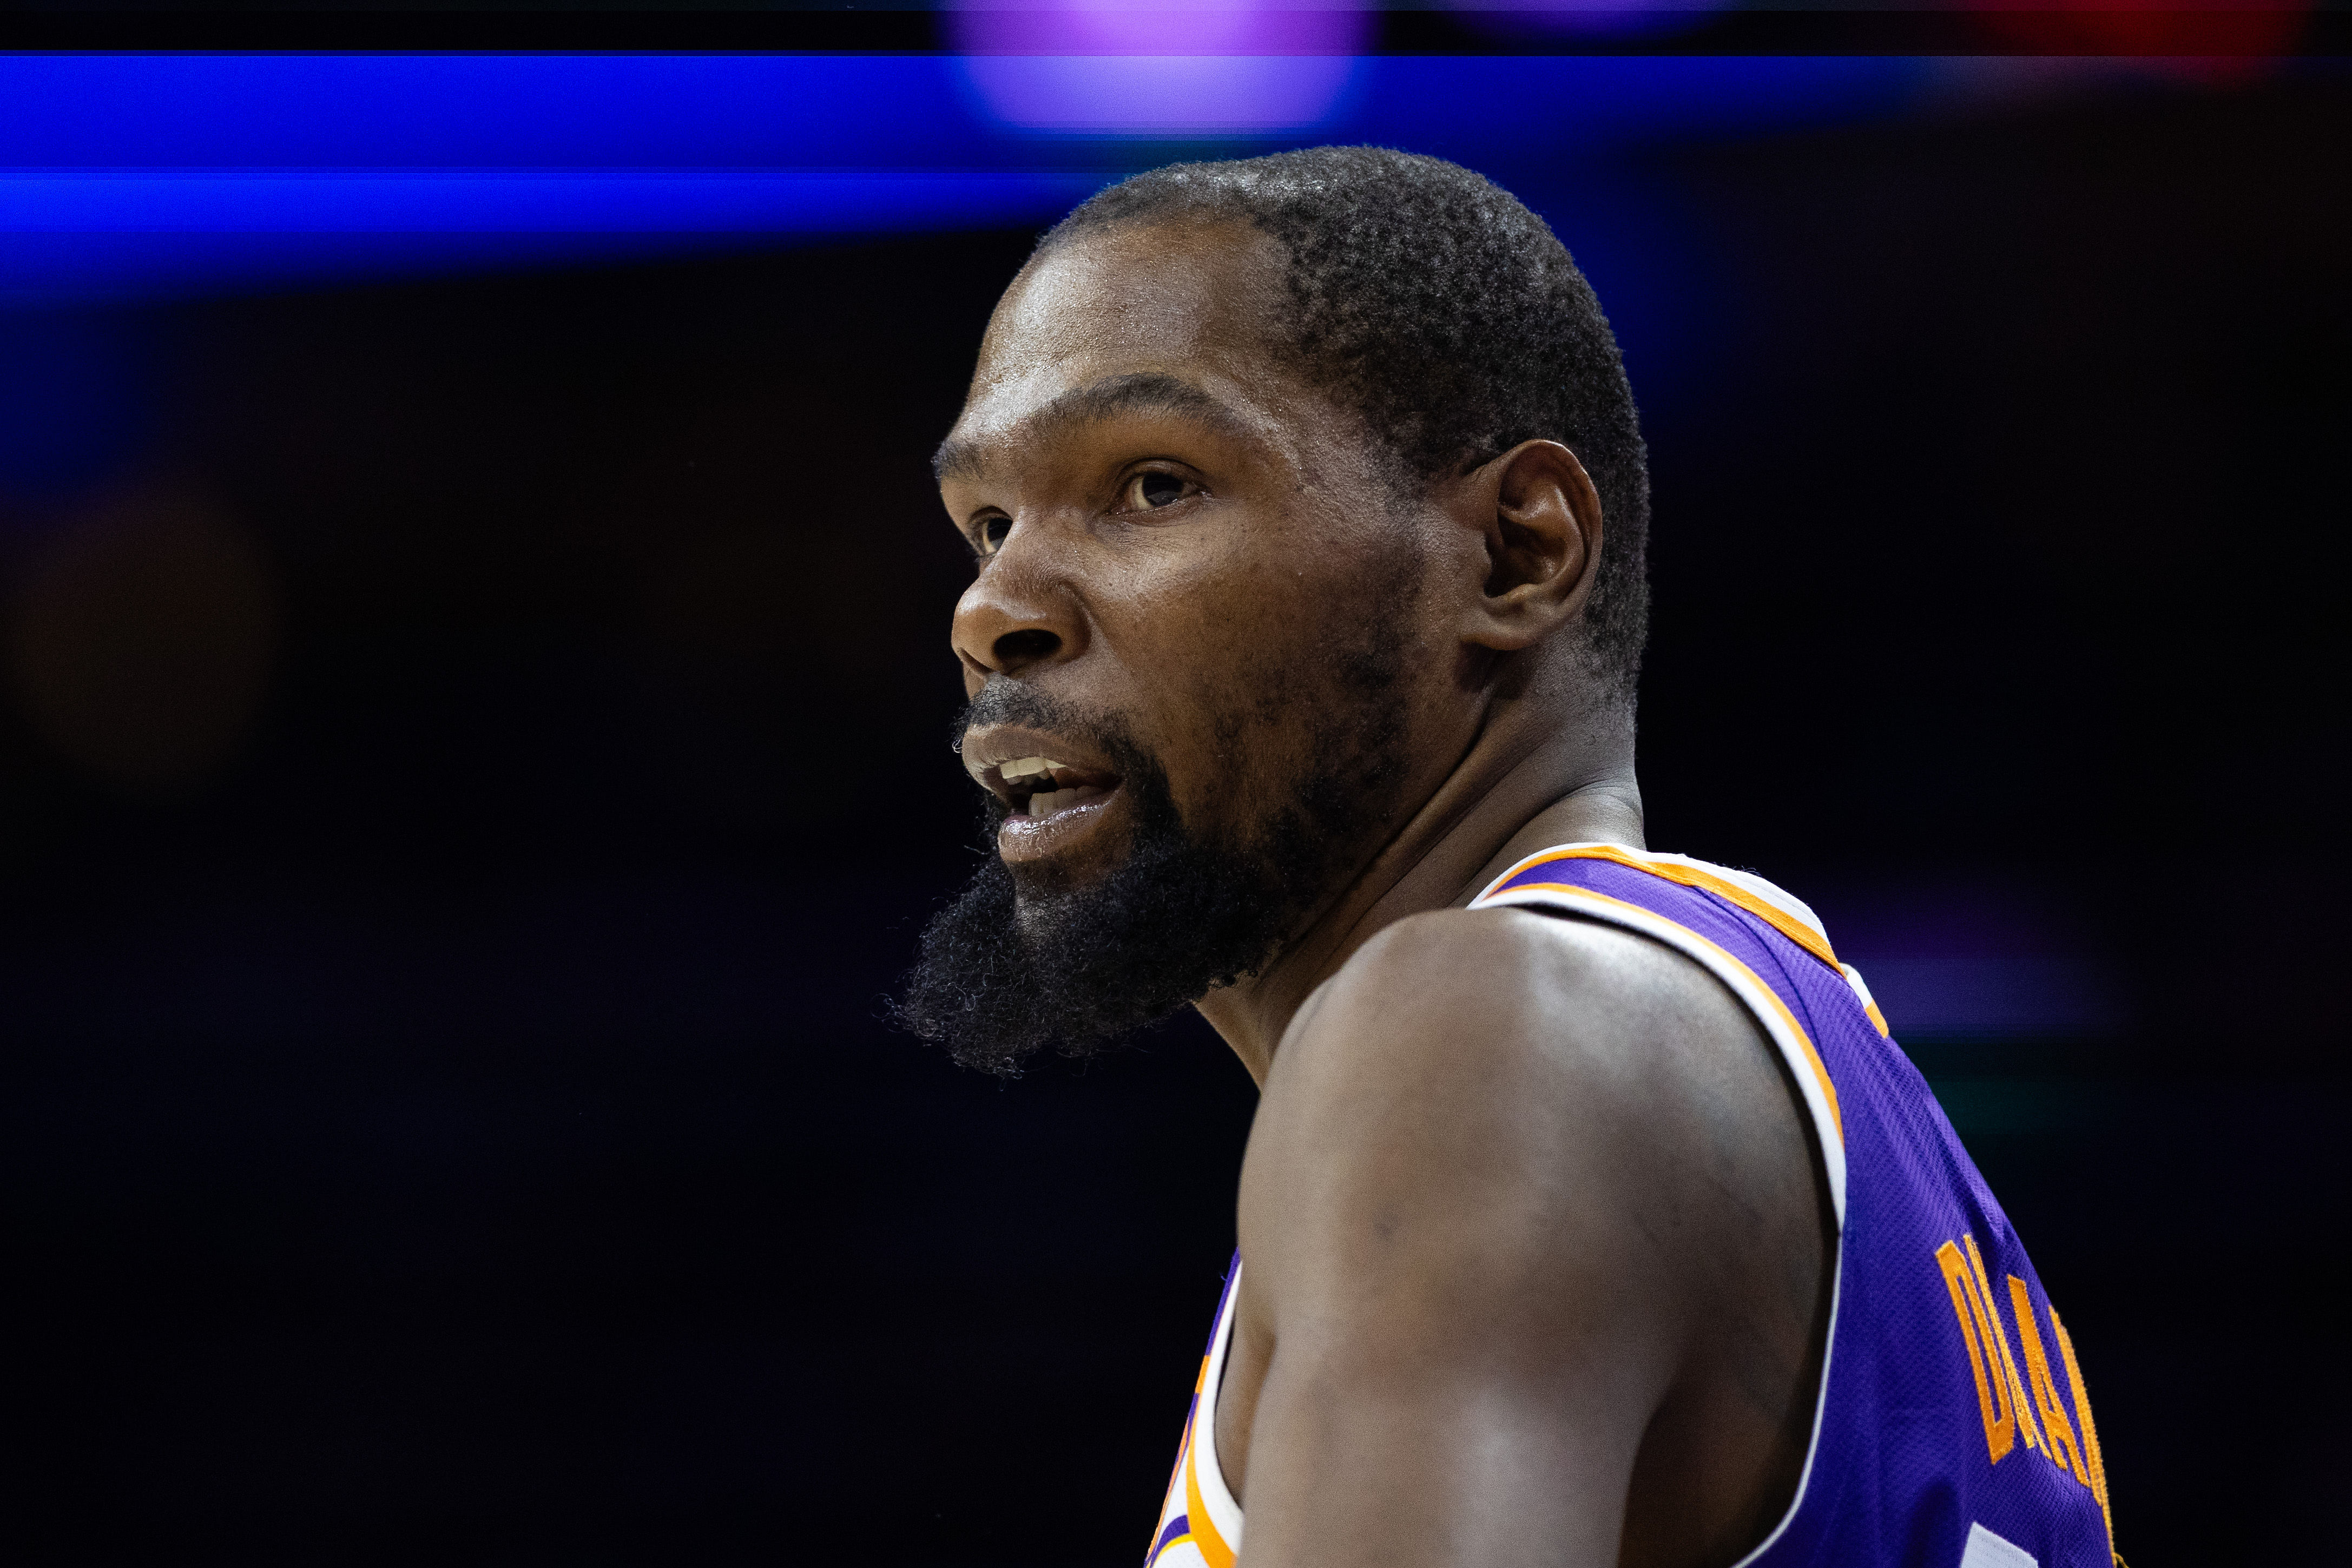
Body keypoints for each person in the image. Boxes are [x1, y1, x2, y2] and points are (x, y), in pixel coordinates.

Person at [899, 147, 2119, 1568]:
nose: (994, 610)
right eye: (986, 524)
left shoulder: (1484, 1034)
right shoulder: (1742, 1056)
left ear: (1516, 552)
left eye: (1152, 484)